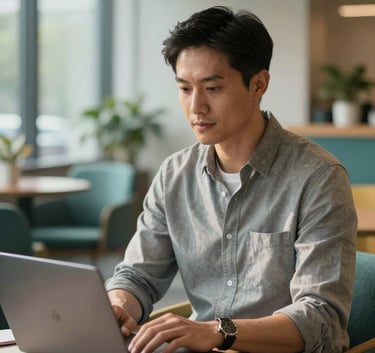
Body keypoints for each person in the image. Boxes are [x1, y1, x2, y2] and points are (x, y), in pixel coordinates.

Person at [106, 6, 357, 353]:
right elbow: (137, 276)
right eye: (184, 88)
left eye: (212, 88)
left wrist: (221, 331)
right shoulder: (174, 175)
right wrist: (120, 304)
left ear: (258, 84)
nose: (196, 107)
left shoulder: (318, 178)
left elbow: (320, 318)